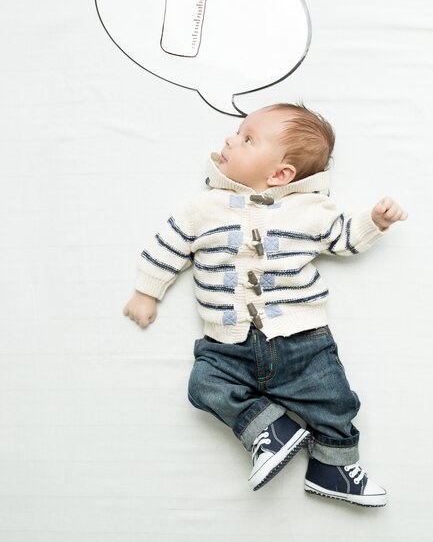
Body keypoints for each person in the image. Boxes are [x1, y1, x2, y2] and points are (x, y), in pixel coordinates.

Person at [123, 103, 407, 507]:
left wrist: (374, 222)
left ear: (281, 174)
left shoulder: (310, 210)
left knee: (334, 399)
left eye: (247, 138)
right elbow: (168, 247)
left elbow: (343, 239)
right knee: (203, 386)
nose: (230, 140)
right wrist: (147, 291)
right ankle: (269, 431)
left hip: (301, 340)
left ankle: (333, 467)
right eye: (238, 133)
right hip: (226, 344)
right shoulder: (202, 208)